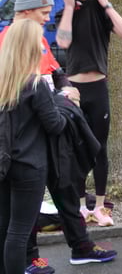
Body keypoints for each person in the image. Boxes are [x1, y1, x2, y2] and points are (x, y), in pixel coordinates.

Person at [1, 0, 116, 274]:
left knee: (64, 188)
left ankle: (81, 246)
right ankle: (30, 259)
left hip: (46, 132)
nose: (46, 18)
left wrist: (65, 87)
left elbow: (54, 71)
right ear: (26, 11)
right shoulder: (10, 39)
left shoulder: (37, 37)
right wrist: (60, 100)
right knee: (22, 213)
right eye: (43, 12)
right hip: (32, 134)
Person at [56, 0, 122, 226]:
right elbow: (63, 42)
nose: (86, 4)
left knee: (100, 148)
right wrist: (70, 7)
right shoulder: (66, 13)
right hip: (74, 90)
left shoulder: (101, 14)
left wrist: (106, 4)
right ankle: (81, 206)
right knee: (77, 147)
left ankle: (99, 206)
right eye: (83, 0)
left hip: (98, 87)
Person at [0, 19, 66, 274]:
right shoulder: (35, 84)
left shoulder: (4, 82)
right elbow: (55, 125)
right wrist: (64, 106)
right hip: (30, 165)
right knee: (19, 232)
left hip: (5, 162)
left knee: (5, 227)